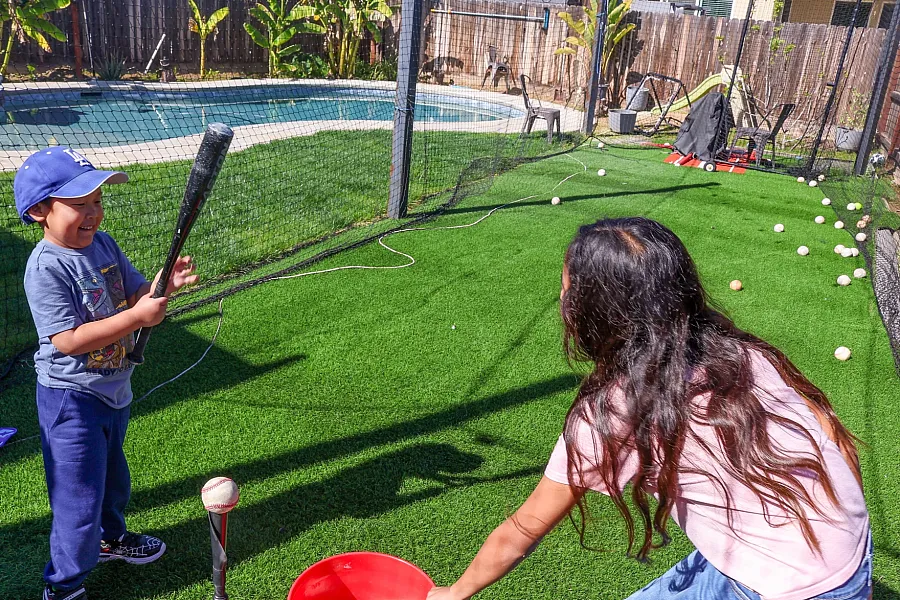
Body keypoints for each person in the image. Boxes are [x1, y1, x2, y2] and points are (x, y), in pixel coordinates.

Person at [428, 217, 870, 600]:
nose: (563, 302)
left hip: (790, 586)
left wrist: (453, 592)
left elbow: (522, 531)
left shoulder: (610, 415)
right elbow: (829, 432)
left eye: (568, 293)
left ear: (597, 314)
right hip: (849, 547)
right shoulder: (738, 352)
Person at [15, 147, 199, 600]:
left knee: (114, 481)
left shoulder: (104, 243)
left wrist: (160, 286)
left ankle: (112, 540)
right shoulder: (45, 266)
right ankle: (63, 586)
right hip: (71, 398)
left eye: (97, 201)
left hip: (114, 389)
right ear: (40, 211)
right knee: (77, 501)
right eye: (78, 205)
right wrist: (138, 318)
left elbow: (135, 289)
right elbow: (69, 341)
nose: (93, 213)